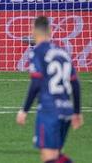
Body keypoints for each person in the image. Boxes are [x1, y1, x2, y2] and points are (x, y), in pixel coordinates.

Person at [16, 16, 83, 163]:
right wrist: (77, 112)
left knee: (49, 157)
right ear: (50, 31)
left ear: (33, 31)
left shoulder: (38, 52)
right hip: (66, 110)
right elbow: (75, 84)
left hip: (49, 110)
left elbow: (36, 83)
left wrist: (24, 110)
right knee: (57, 155)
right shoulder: (62, 53)